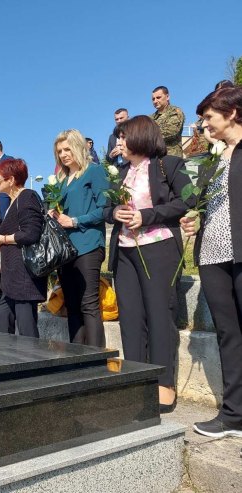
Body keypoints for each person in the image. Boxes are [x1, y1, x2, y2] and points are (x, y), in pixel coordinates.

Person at [103, 115, 193, 413]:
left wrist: (147, 215)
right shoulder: (121, 174)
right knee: (130, 318)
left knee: (158, 314)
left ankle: (163, 384)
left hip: (158, 248)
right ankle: (136, 381)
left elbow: (186, 202)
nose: (118, 143)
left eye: (123, 136)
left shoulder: (170, 165)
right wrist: (114, 211)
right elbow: (106, 209)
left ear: (140, 136)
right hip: (125, 252)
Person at [180, 86, 242, 438]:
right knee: (228, 334)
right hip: (213, 254)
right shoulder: (214, 158)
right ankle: (234, 416)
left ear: (232, 112)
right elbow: (210, 205)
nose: (203, 124)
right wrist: (196, 220)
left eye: (208, 117)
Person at [51, 129, 109, 347]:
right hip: (65, 251)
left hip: (88, 245)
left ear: (78, 147)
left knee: (89, 304)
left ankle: (95, 359)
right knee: (72, 305)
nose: (64, 154)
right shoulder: (60, 181)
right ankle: (77, 359)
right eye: (60, 151)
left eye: (67, 149)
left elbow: (105, 209)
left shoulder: (94, 171)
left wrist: (74, 221)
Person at [0, 159, 46, 336]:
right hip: (12, 275)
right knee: (2, 313)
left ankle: (34, 362)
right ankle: (8, 359)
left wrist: (3, 238)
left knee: (26, 323)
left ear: (11, 179)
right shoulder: (13, 201)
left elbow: (31, 234)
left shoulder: (27, 197)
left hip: (24, 275)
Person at [150, 86, 185, 157]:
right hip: (155, 157)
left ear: (167, 97)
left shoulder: (175, 111)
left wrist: (148, 136)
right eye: (153, 99)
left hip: (171, 157)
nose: (155, 101)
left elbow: (171, 131)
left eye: (158, 97)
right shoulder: (151, 118)